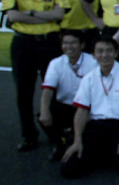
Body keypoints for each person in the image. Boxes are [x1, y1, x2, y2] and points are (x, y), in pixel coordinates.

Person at [3, 0, 66, 152]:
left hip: (49, 43)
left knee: (54, 89)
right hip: (24, 44)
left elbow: (58, 15)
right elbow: (12, 16)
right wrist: (41, 14)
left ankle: (55, 133)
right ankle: (28, 135)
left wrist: (28, 13)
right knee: (24, 91)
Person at [60, 37, 119, 178]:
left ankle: (109, 154)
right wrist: (77, 140)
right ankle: (105, 154)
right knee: (68, 169)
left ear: (116, 53)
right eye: (100, 51)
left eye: (109, 51)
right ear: (93, 55)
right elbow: (81, 111)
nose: (104, 55)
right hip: (96, 125)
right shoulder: (88, 78)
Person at [38, 31, 99, 160]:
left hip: (87, 108)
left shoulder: (93, 62)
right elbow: (48, 89)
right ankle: (59, 144)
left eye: (73, 43)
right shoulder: (55, 63)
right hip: (65, 106)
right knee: (44, 114)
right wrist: (44, 111)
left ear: (82, 45)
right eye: (65, 43)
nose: (69, 46)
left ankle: (74, 140)